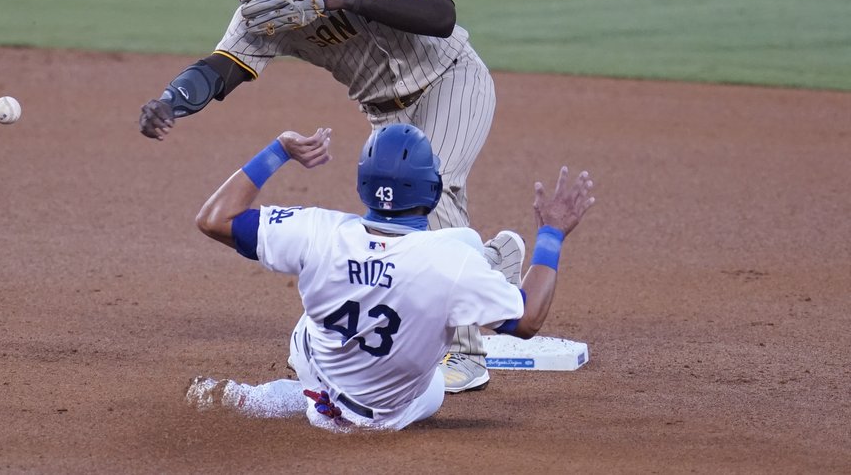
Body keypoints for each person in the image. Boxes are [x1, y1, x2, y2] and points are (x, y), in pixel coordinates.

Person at [140, 0, 518, 392]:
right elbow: (225, 65)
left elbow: (440, 15)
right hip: (383, 117)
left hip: (452, 81)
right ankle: (491, 263)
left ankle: (465, 353)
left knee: (428, 196)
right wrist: (170, 100)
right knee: (396, 223)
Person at [187, 123, 596, 431]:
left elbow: (213, 218)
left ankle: (265, 398)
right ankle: (479, 293)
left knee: (340, 304)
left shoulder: (316, 230)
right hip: (388, 413)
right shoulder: (448, 263)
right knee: (461, 260)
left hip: (314, 359)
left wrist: (279, 149)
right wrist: (551, 235)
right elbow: (526, 320)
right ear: (431, 189)